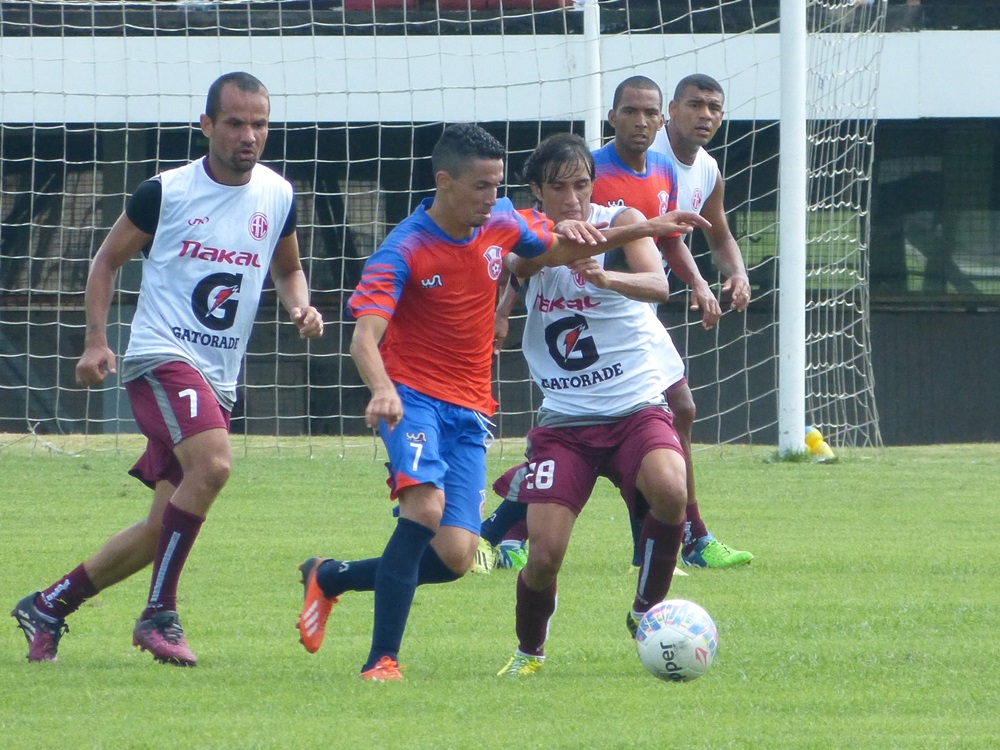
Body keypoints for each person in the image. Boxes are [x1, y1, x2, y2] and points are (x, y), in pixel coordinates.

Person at [294, 123, 709, 681]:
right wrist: (383, 389)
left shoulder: (502, 221)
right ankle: (383, 660)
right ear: (445, 182)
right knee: (433, 514)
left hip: (474, 408)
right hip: (418, 399)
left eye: (496, 187)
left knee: (455, 557)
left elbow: (572, 253)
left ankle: (330, 576)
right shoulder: (404, 249)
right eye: (482, 187)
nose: (493, 199)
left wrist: (648, 228)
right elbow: (364, 337)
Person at [10, 72, 324, 666]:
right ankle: (160, 614)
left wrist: (299, 306)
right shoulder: (166, 192)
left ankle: (49, 604)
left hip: (219, 375)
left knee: (163, 525)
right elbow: (106, 262)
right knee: (214, 465)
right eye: (235, 123)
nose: (249, 135)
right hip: (162, 356)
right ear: (206, 125)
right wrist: (96, 341)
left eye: (259, 124)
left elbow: (287, 269)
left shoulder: (277, 194)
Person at [480, 75, 753, 571]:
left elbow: (672, 247)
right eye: (632, 111)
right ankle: (510, 531)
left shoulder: (684, 170)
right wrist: (503, 311)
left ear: (661, 118)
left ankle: (678, 539)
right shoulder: (590, 168)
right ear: (614, 117)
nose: (642, 122)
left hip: (628, 319)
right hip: (582, 324)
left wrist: (704, 279)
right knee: (605, 430)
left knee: (671, 417)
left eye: (649, 113)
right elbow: (540, 251)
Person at [491, 132, 689, 677]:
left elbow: (657, 284)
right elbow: (522, 263)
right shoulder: (524, 229)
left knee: (672, 488)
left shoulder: (622, 217)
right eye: (559, 188)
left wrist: (607, 275)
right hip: (565, 419)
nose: (574, 198)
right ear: (537, 190)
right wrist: (557, 244)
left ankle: (646, 610)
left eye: (582, 185)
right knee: (543, 555)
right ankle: (529, 653)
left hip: (634, 406)